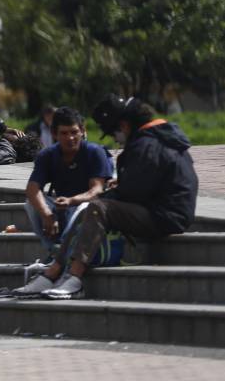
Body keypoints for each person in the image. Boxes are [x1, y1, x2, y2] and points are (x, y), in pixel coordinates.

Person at [10, 95, 198, 300]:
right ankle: (54, 271)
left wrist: (116, 189)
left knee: (98, 207)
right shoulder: (156, 138)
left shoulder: (148, 145)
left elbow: (133, 192)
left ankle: (73, 277)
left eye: (114, 132)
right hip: (163, 209)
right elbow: (142, 184)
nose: (116, 138)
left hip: (166, 215)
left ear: (124, 125)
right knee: (92, 208)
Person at [20, 107, 113, 260]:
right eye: (64, 133)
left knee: (83, 208)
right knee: (31, 204)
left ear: (82, 131)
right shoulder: (47, 155)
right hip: (61, 207)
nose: (70, 138)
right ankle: (54, 252)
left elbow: (96, 190)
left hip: (87, 209)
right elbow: (32, 189)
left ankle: (69, 254)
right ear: (54, 134)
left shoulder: (94, 152)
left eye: (74, 132)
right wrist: (46, 214)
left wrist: (72, 201)